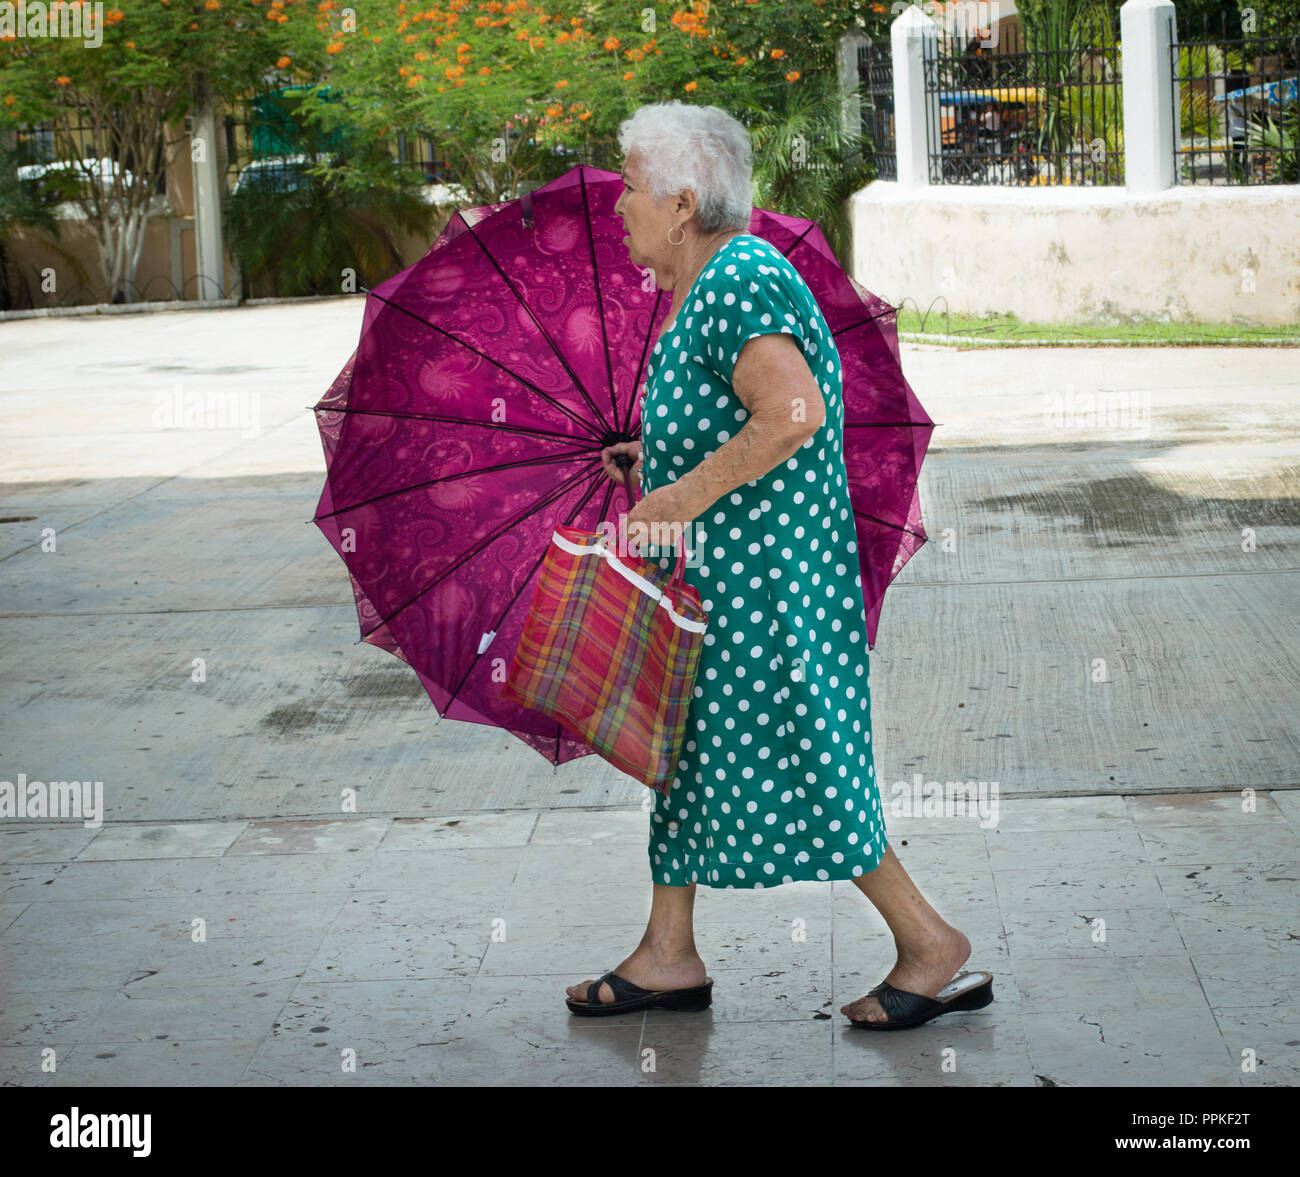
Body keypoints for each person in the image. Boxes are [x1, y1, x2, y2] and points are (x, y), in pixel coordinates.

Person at [569, 100, 992, 1030]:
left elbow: (793, 412)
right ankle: (669, 951)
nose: (618, 206)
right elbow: (745, 415)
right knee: (680, 755)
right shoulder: (702, 286)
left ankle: (931, 943)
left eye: (629, 186)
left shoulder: (740, 278)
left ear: (682, 204)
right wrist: (659, 461)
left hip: (774, 592)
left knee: (808, 755)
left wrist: (677, 499)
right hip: (725, 587)